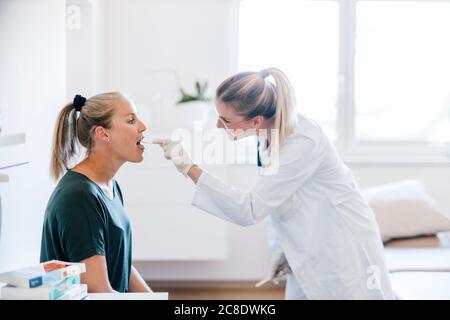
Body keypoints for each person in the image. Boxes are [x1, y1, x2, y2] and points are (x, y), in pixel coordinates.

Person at [153, 68, 394, 299]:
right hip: (309, 244)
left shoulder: (302, 140)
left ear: (256, 121)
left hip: (342, 247)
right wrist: (282, 248)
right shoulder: (267, 135)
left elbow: (249, 209)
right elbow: (279, 199)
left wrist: (188, 167)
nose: (218, 126)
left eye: (225, 120)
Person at [40, 92, 151, 293]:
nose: (143, 126)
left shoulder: (110, 186)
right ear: (103, 133)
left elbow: (119, 264)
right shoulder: (79, 196)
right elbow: (99, 293)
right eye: (131, 120)